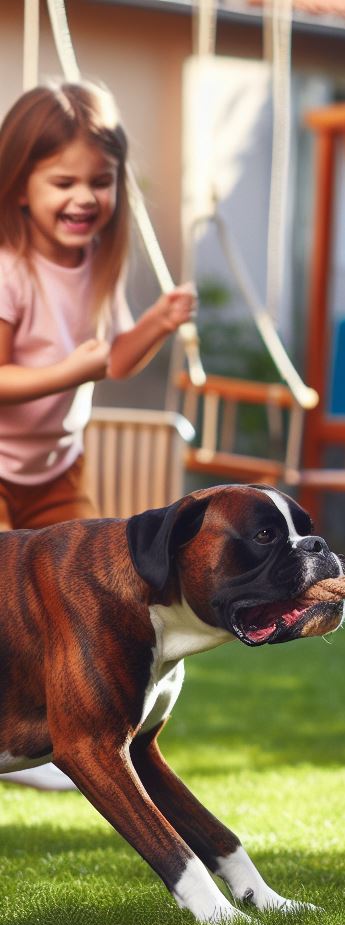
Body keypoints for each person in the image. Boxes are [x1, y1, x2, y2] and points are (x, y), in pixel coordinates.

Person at [0, 81, 195, 792]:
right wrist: (66, 370)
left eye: (100, 181)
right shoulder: (10, 272)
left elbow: (112, 358)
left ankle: (70, 728)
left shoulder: (93, 266)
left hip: (56, 465)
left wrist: (159, 324)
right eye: (63, 182)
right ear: (20, 188)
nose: (84, 198)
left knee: (77, 604)